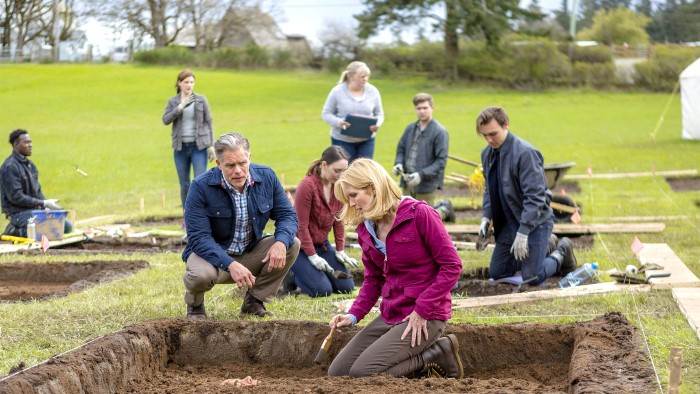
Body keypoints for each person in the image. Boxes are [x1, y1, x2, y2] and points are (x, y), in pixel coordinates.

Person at [327, 159, 464, 379]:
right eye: (347, 198)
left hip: (426, 315)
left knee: (363, 373)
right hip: (392, 312)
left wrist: (422, 310)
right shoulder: (366, 228)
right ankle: (424, 356)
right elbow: (373, 280)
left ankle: (435, 354)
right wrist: (353, 315)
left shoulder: (420, 214)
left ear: (372, 187)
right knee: (338, 372)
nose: (351, 204)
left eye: (353, 196)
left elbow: (452, 266)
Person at [181, 132, 300, 319]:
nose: (238, 170)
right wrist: (230, 264)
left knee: (292, 244)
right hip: (213, 257)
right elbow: (198, 238)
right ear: (218, 164)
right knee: (200, 275)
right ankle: (195, 306)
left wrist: (280, 243)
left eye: (242, 163)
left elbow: (287, 215)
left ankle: (254, 301)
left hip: (249, 251)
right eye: (230, 165)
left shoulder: (267, 177)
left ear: (249, 158)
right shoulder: (200, 187)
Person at [476, 107, 577, 286]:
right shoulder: (487, 154)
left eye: (493, 133)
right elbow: (489, 190)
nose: (489, 139)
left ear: (506, 125)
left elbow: (536, 198)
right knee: (498, 273)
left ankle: (561, 251)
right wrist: (486, 217)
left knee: (532, 276)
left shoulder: (525, 154)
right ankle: (546, 246)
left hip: (535, 222)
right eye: (485, 135)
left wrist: (523, 231)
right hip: (508, 224)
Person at [288, 146, 357, 297]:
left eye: (343, 171)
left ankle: (312, 274)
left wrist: (340, 250)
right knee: (322, 290)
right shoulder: (307, 186)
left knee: (346, 287)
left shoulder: (338, 187)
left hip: (322, 246)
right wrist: (312, 256)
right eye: (337, 171)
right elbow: (301, 226)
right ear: (324, 165)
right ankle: (290, 274)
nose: (340, 176)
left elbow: (338, 221)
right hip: (299, 248)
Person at [392, 93, 454, 221]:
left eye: (425, 108)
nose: (422, 111)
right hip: (407, 181)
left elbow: (440, 162)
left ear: (432, 108)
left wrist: (421, 174)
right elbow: (401, 149)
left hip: (426, 184)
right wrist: (398, 163)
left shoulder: (440, 132)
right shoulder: (410, 129)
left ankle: (445, 210)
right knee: (405, 216)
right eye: (419, 108)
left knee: (425, 219)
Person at [1, 129, 72, 237]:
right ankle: (14, 230)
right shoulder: (10, 167)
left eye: (30, 142)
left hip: (34, 211)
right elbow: (16, 197)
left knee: (66, 227)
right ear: (15, 144)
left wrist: (48, 206)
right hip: (18, 214)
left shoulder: (30, 166)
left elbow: (37, 192)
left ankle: (28, 228)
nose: (30, 145)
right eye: (26, 142)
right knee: (44, 232)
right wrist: (42, 203)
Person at [162, 69, 215, 209]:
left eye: (192, 82)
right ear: (179, 83)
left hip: (199, 147)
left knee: (200, 181)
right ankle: (187, 217)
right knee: (184, 184)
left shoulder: (201, 100)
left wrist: (211, 145)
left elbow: (209, 122)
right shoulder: (173, 102)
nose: (189, 85)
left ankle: (202, 215)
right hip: (180, 148)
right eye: (186, 82)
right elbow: (165, 120)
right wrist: (180, 107)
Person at [322, 61, 384, 161]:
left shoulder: (373, 91)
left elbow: (379, 114)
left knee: (364, 173)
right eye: (362, 76)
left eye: (367, 76)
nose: (366, 79)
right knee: (345, 172)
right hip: (342, 141)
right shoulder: (337, 91)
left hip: (367, 141)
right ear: (351, 76)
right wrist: (339, 122)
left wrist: (378, 124)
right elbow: (326, 114)